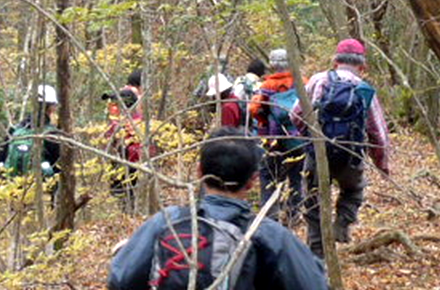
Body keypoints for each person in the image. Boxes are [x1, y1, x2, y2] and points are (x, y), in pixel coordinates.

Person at [106, 128, 329, 290]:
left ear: (199, 172)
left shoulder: (166, 221)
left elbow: (120, 279)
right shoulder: (270, 236)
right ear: (252, 181)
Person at [292, 38, 390, 257]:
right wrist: (382, 165)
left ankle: (316, 251)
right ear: (362, 66)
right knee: (353, 191)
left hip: (318, 153)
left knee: (313, 200)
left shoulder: (318, 80)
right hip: (350, 156)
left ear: (335, 61)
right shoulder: (364, 89)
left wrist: (305, 135)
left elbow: (295, 114)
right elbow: (378, 133)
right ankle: (341, 227)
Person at [249, 48, 306, 225]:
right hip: (298, 138)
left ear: (272, 65)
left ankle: (271, 215)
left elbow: (254, 110)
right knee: (297, 177)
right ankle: (294, 214)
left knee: (269, 177)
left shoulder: (266, 86)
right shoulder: (302, 82)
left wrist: (265, 120)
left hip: (272, 140)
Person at [0, 83, 61, 178]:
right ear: (50, 107)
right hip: (40, 189)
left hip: (10, 189)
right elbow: (58, 169)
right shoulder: (52, 134)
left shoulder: (15, 130)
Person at [103, 84, 144, 212]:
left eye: (114, 103)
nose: (111, 106)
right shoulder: (120, 123)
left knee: (127, 202)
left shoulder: (132, 124)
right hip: (122, 167)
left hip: (129, 168)